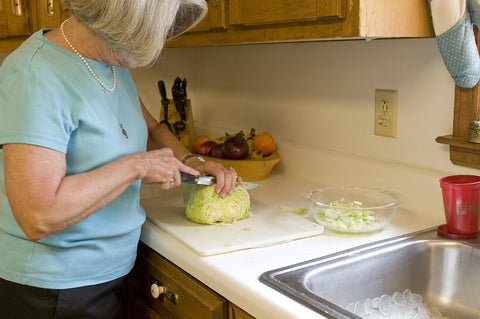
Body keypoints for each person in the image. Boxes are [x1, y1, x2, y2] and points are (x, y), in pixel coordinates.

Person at [0, 0, 241, 318]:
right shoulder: (34, 75)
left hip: (110, 272)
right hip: (53, 289)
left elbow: (151, 127)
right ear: (113, 19)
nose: (141, 62)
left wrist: (193, 162)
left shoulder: (108, 59)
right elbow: (38, 216)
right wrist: (137, 165)